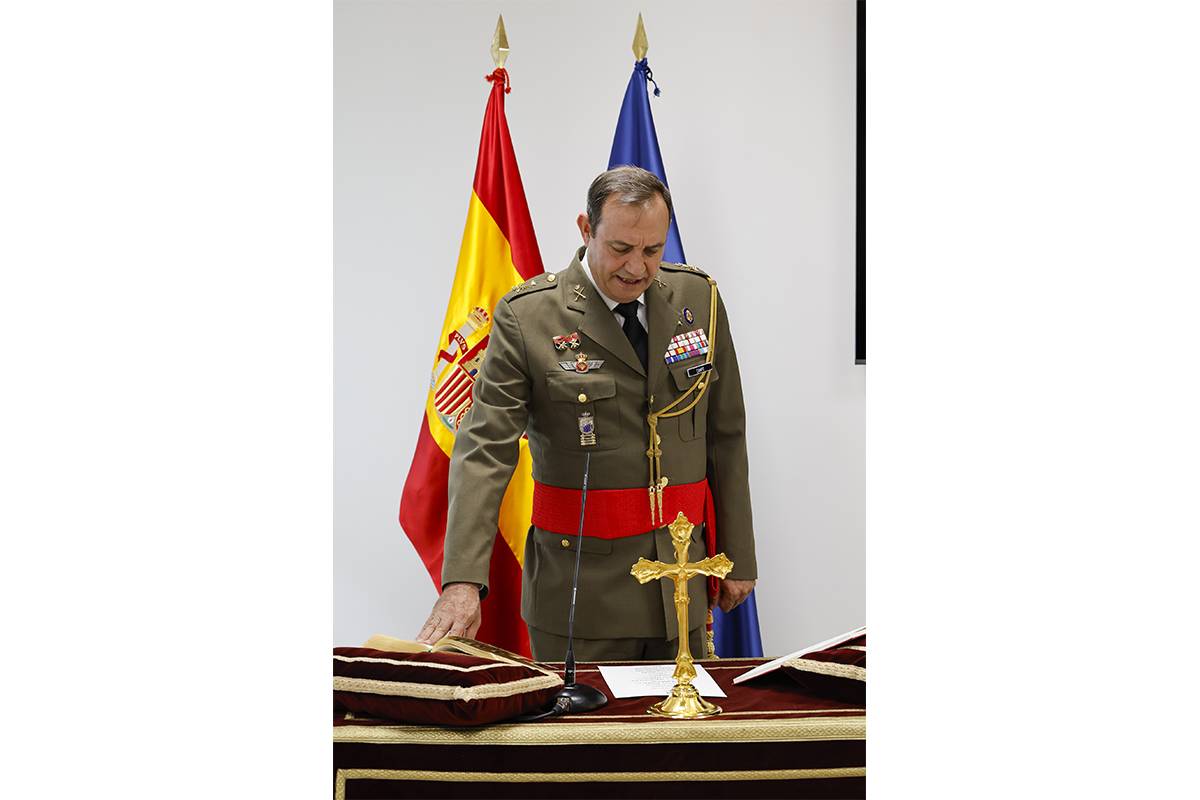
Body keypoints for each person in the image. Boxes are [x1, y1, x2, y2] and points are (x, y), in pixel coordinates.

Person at [416, 166, 756, 661]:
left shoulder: (697, 298)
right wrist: (463, 580)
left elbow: (726, 433)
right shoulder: (528, 316)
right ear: (585, 229)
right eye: (621, 248)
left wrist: (738, 556)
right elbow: (485, 449)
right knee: (587, 740)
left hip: (681, 579)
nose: (637, 267)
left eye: (652, 250)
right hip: (580, 595)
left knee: (685, 735)